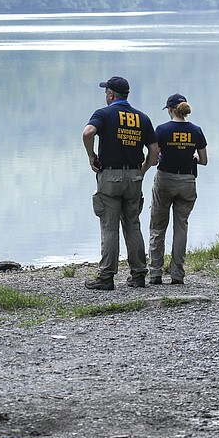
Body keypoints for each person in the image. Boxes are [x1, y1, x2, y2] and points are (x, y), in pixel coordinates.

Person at [83, 76, 159, 290]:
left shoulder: (103, 114)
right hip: (134, 177)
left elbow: (88, 132)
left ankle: (106, 277)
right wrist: (142, 170)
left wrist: (91, 156)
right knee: (133, 226)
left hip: (110, 177)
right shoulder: (142, 117)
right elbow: (154, 151)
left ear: (111, 95)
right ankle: (138, 275)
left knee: (110, 227)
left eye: (106, 92)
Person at [148, 93, 208, 285]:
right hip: (187, 181)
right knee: (181, 227)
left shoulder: (162, 130)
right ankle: (177, 275)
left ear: (172, 110)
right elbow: (204, 160)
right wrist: (193, 158)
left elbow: (154, 156)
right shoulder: (196, 131)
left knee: (158, 227)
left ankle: (155, 273)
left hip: (165, 179)